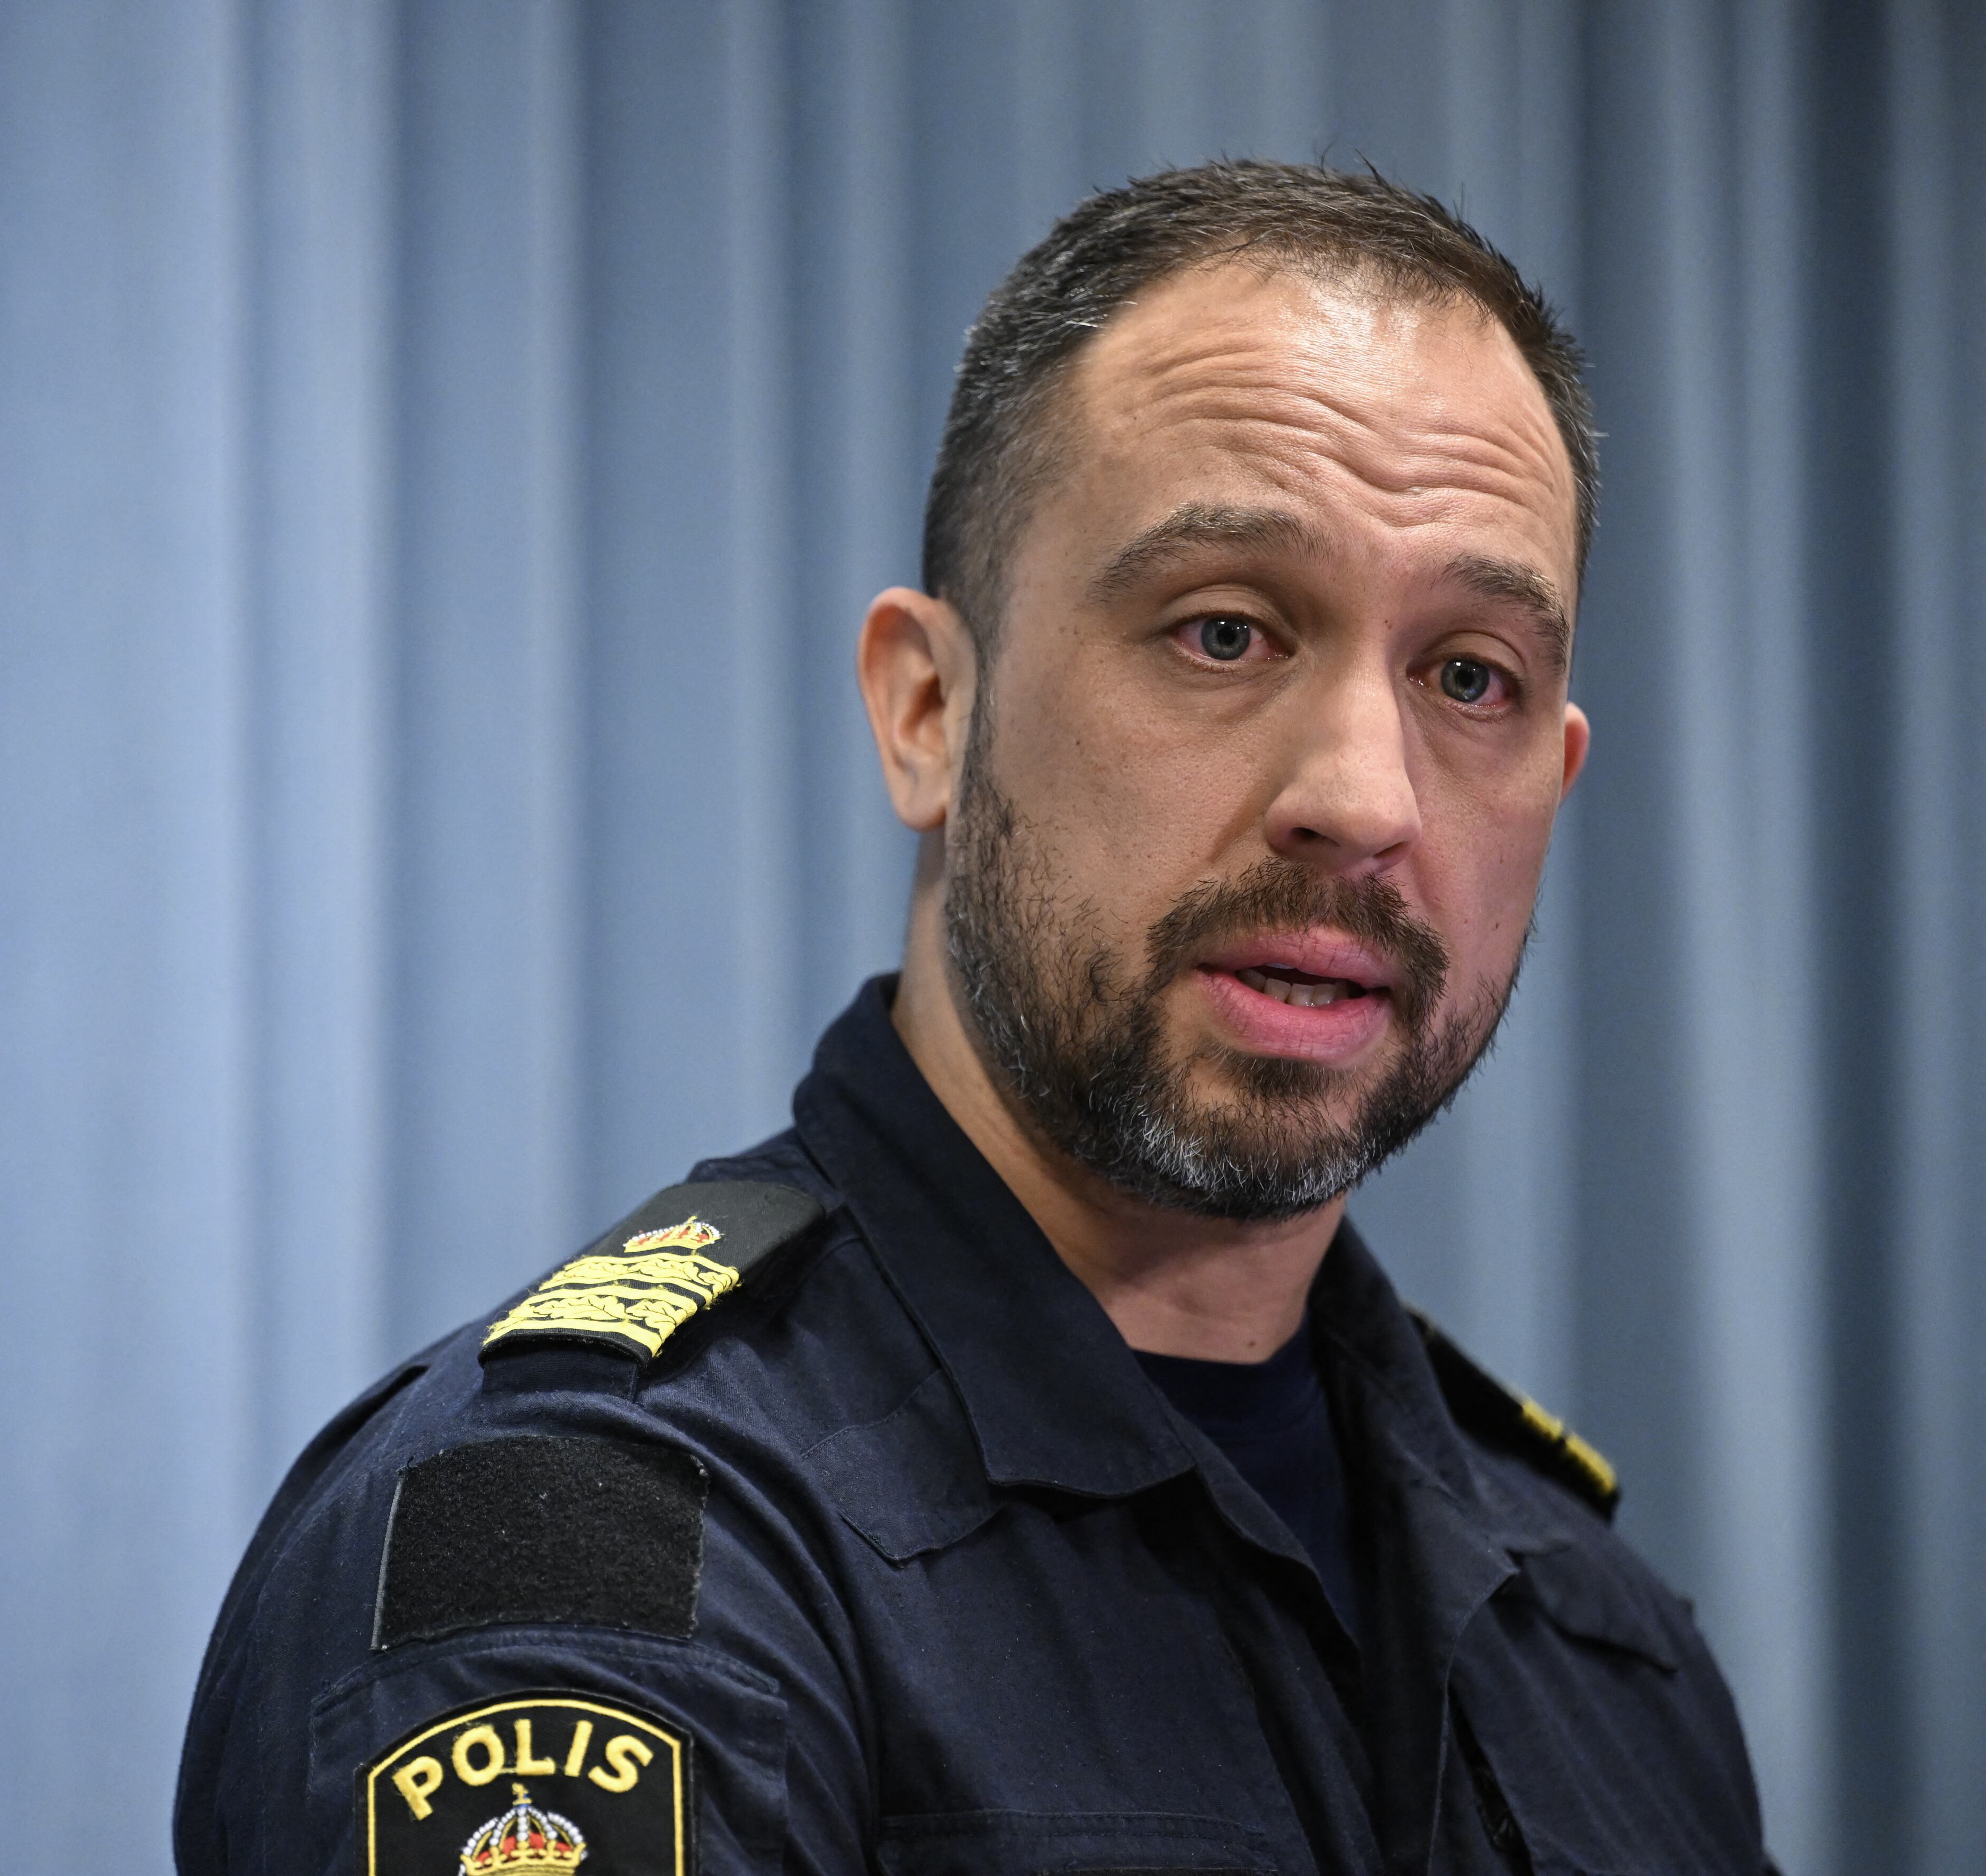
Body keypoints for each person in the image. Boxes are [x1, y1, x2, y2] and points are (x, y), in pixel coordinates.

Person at [175, 160, 1768, 1876]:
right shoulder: (597, 1553)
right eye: (1224, 630)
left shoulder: (1602, 1634)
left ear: (1555, 777)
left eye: (1472, 678)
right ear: (929, 710)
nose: (1365, 798)